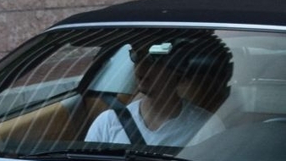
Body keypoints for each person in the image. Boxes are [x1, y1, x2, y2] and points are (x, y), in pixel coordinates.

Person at [86, 36, 232, 151]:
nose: (141, 67)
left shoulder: (207, 128)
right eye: (136, 55)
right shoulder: (108, 122)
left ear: (179, 70)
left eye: (154, 58)